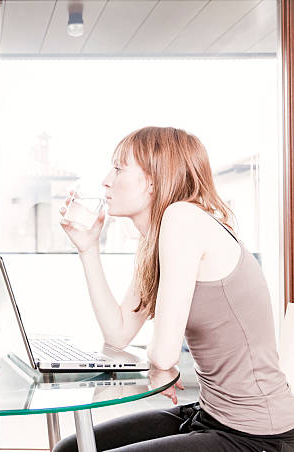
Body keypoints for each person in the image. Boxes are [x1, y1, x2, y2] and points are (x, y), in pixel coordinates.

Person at [55, 126, 294, 452]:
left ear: (152, 180)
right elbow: (118, 333)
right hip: (208, 414)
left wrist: (160, 360)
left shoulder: (183, 219)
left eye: (119, 167)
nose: (106, 180)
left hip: (256, 434)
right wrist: (88, 249)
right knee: (70, 448)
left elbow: (164, 355)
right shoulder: (159, 238)